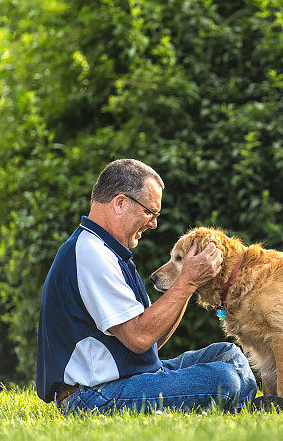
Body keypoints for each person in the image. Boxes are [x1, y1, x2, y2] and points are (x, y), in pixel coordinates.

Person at [36, 158, 269, 413]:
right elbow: (140, 337)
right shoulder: (90, 253)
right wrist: (187, 281)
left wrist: (189, 284)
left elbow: (153, 340)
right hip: (92, 397)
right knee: (224, 378)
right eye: (150, 212)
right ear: (120, 203)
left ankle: (240, 408)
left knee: (228, 355)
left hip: (130, 378)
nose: (153, 223)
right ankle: (240, 406)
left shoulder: (110, 252)